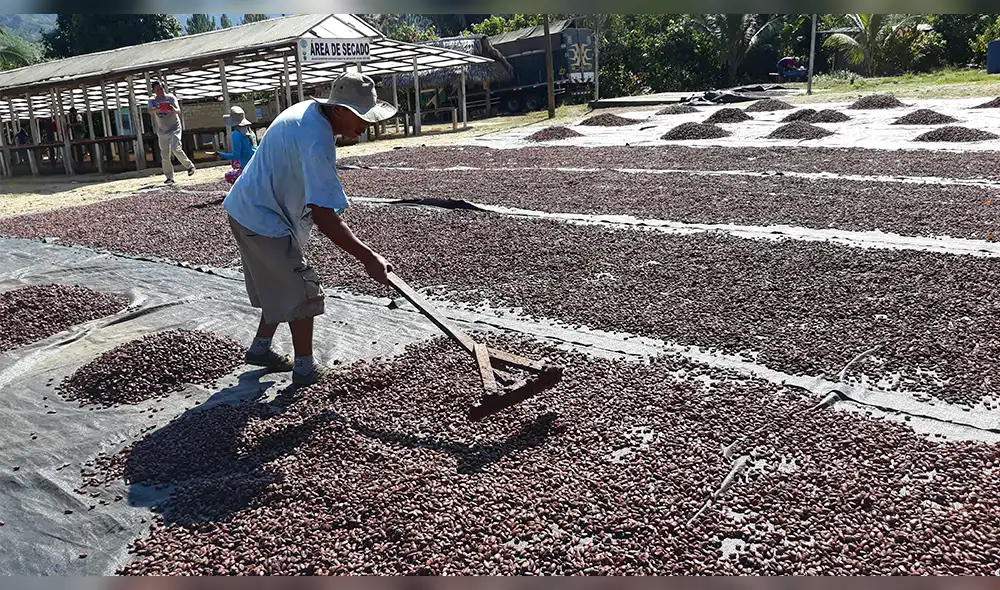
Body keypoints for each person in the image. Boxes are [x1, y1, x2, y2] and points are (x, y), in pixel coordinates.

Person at [222, 72, 396, 386]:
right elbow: (325, 216)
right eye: (362, 118)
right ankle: (305, 368)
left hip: (252, 208)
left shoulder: (310, 114)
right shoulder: (317, 138)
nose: (367, 126)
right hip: (260, 216)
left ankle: (260, 349)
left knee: (281, 284)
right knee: (302, 289)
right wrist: (369, 257)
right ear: (340, 110)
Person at [146, 80, 196, 184]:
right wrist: (157, 108)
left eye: (161, 88)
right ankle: (169, 177)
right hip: (162, 130)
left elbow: (178, 111)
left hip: (174, 127)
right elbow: (149, 111)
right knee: (165, 154)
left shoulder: (171, 98)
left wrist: (172, 109)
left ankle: (189, 166)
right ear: (154, 91)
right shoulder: (152, 100)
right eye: (157, 89)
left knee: (176, 148)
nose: (159, 91)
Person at [209, 106, 257, 185]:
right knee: (235, 162)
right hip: (256, 164)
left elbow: (236, 156)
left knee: (229, 176)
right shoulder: (251, 132)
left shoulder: (236, 134)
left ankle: (244, 186)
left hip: (248, 168)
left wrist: (220, 154)